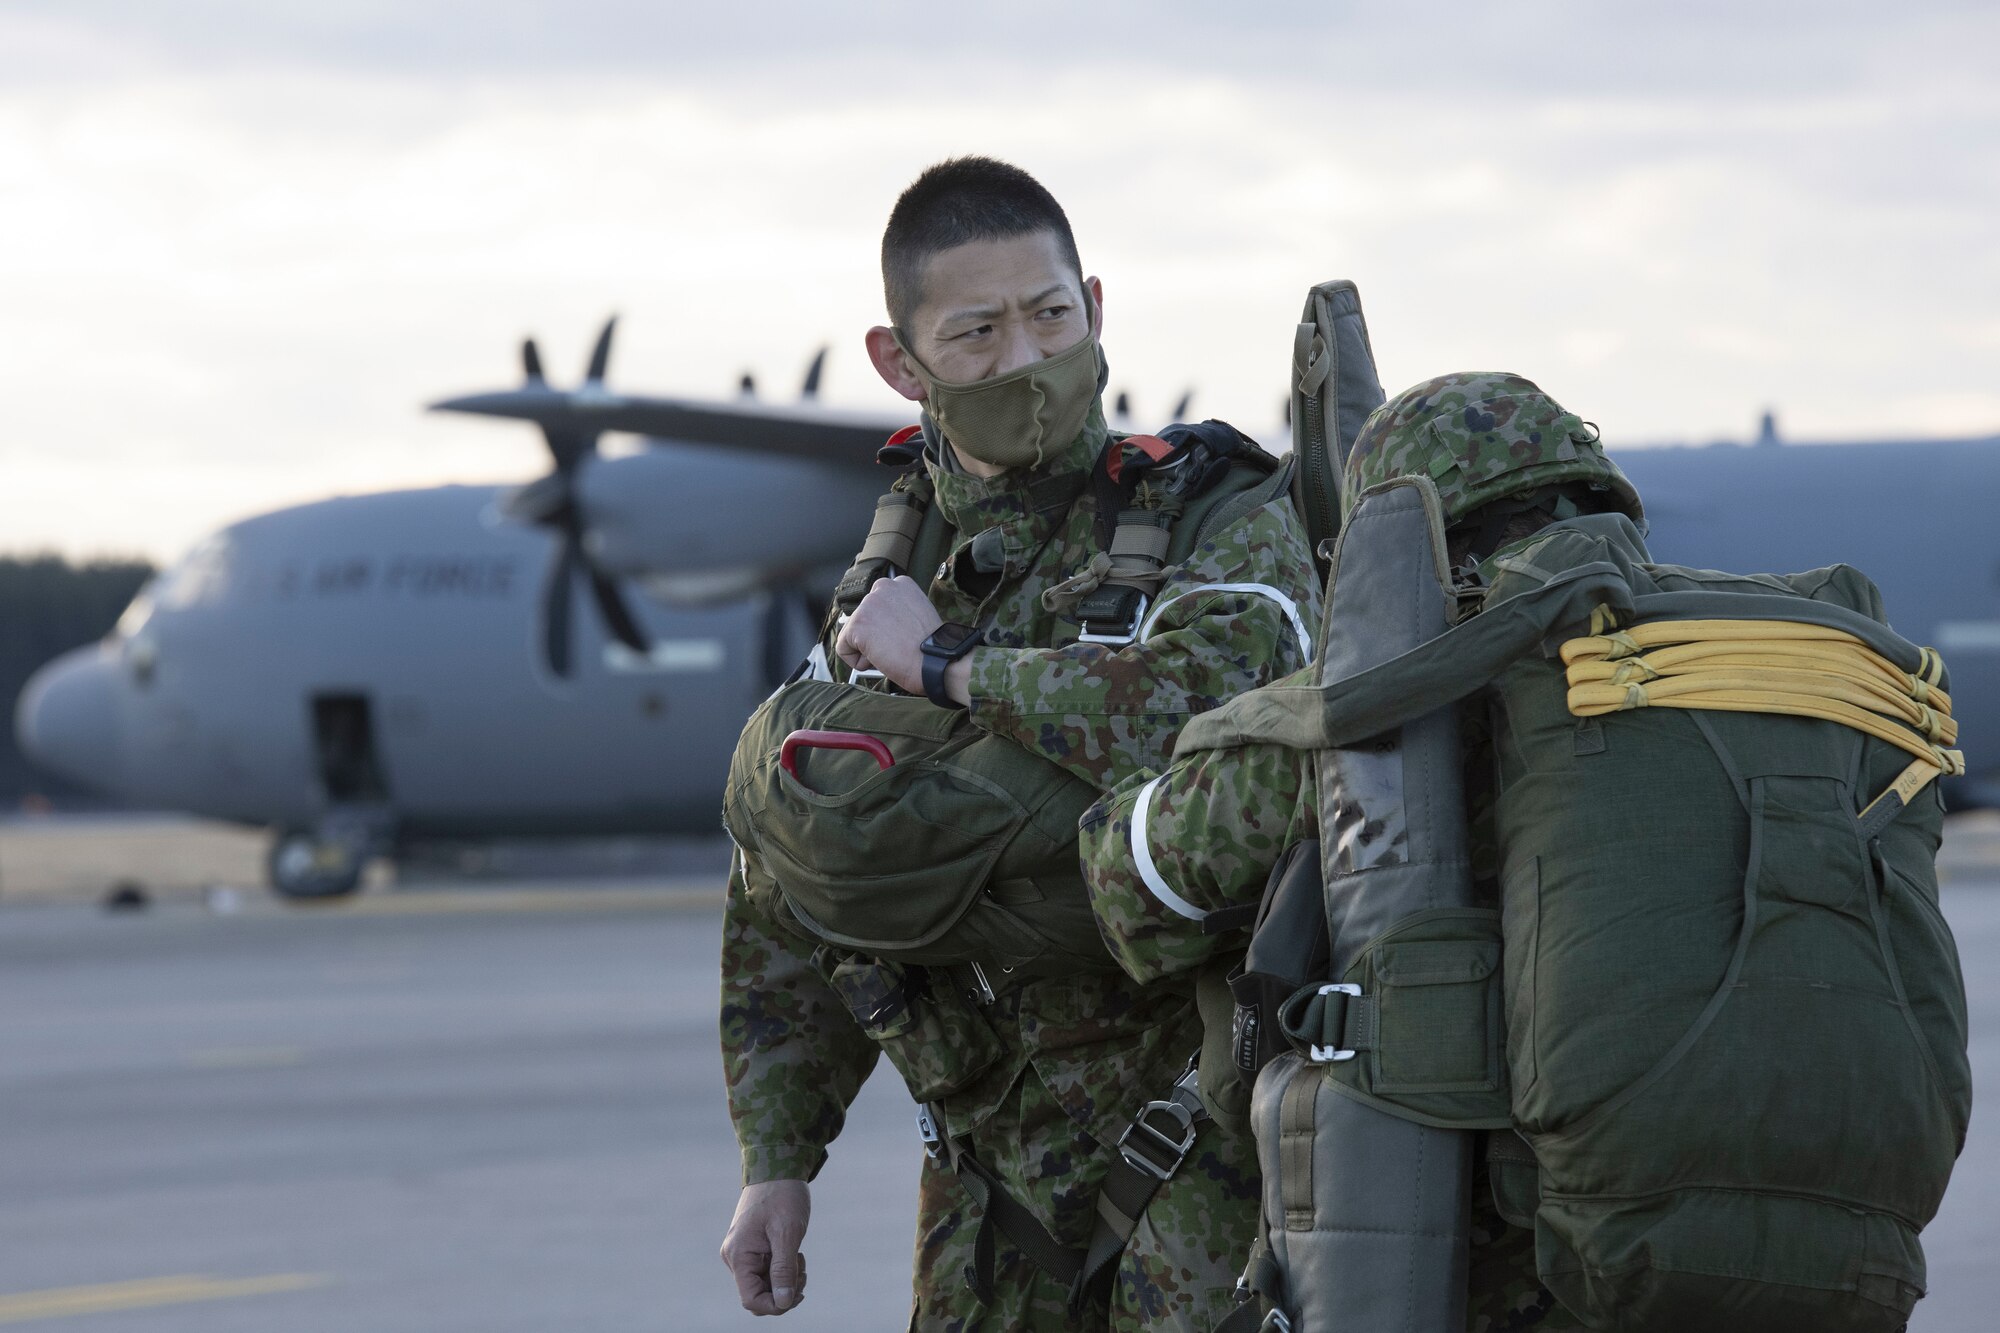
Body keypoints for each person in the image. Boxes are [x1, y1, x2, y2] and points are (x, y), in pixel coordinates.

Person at [716, 156, 1322, 1330]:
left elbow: (1208, 702)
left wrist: (945, 666)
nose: (1026, 362)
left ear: (1094, 307)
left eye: (1049, 317)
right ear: (902, 363)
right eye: (978, 332)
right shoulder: (891, 563)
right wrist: (777, 1156)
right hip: (980, 1171)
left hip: (1197, 1146)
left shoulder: (1215, 516)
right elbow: (794, 864)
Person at [1078, 372, 1646, 1331]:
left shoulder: (1354, 722)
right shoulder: (1698, 703)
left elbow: (1129, 884)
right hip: (1664, 1258)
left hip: (1442, 1271)